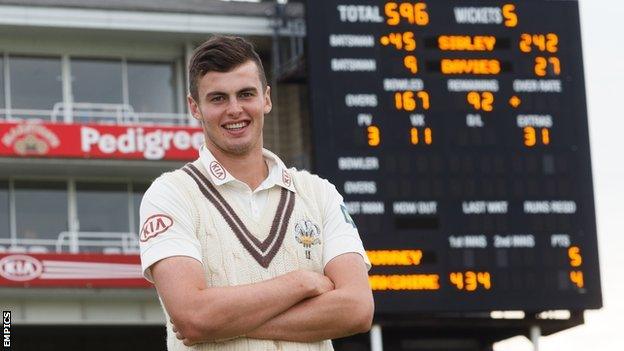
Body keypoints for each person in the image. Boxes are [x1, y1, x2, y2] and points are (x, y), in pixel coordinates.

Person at [139, 35, 373, 350]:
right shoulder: (171, 194)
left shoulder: (319, 193)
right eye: (218, 98)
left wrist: (223, 324)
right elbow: (193, 317)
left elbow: (357, 309)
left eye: (246, 94)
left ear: (266, 98)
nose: (235, 110)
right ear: (195, 107)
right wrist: (300, 283)